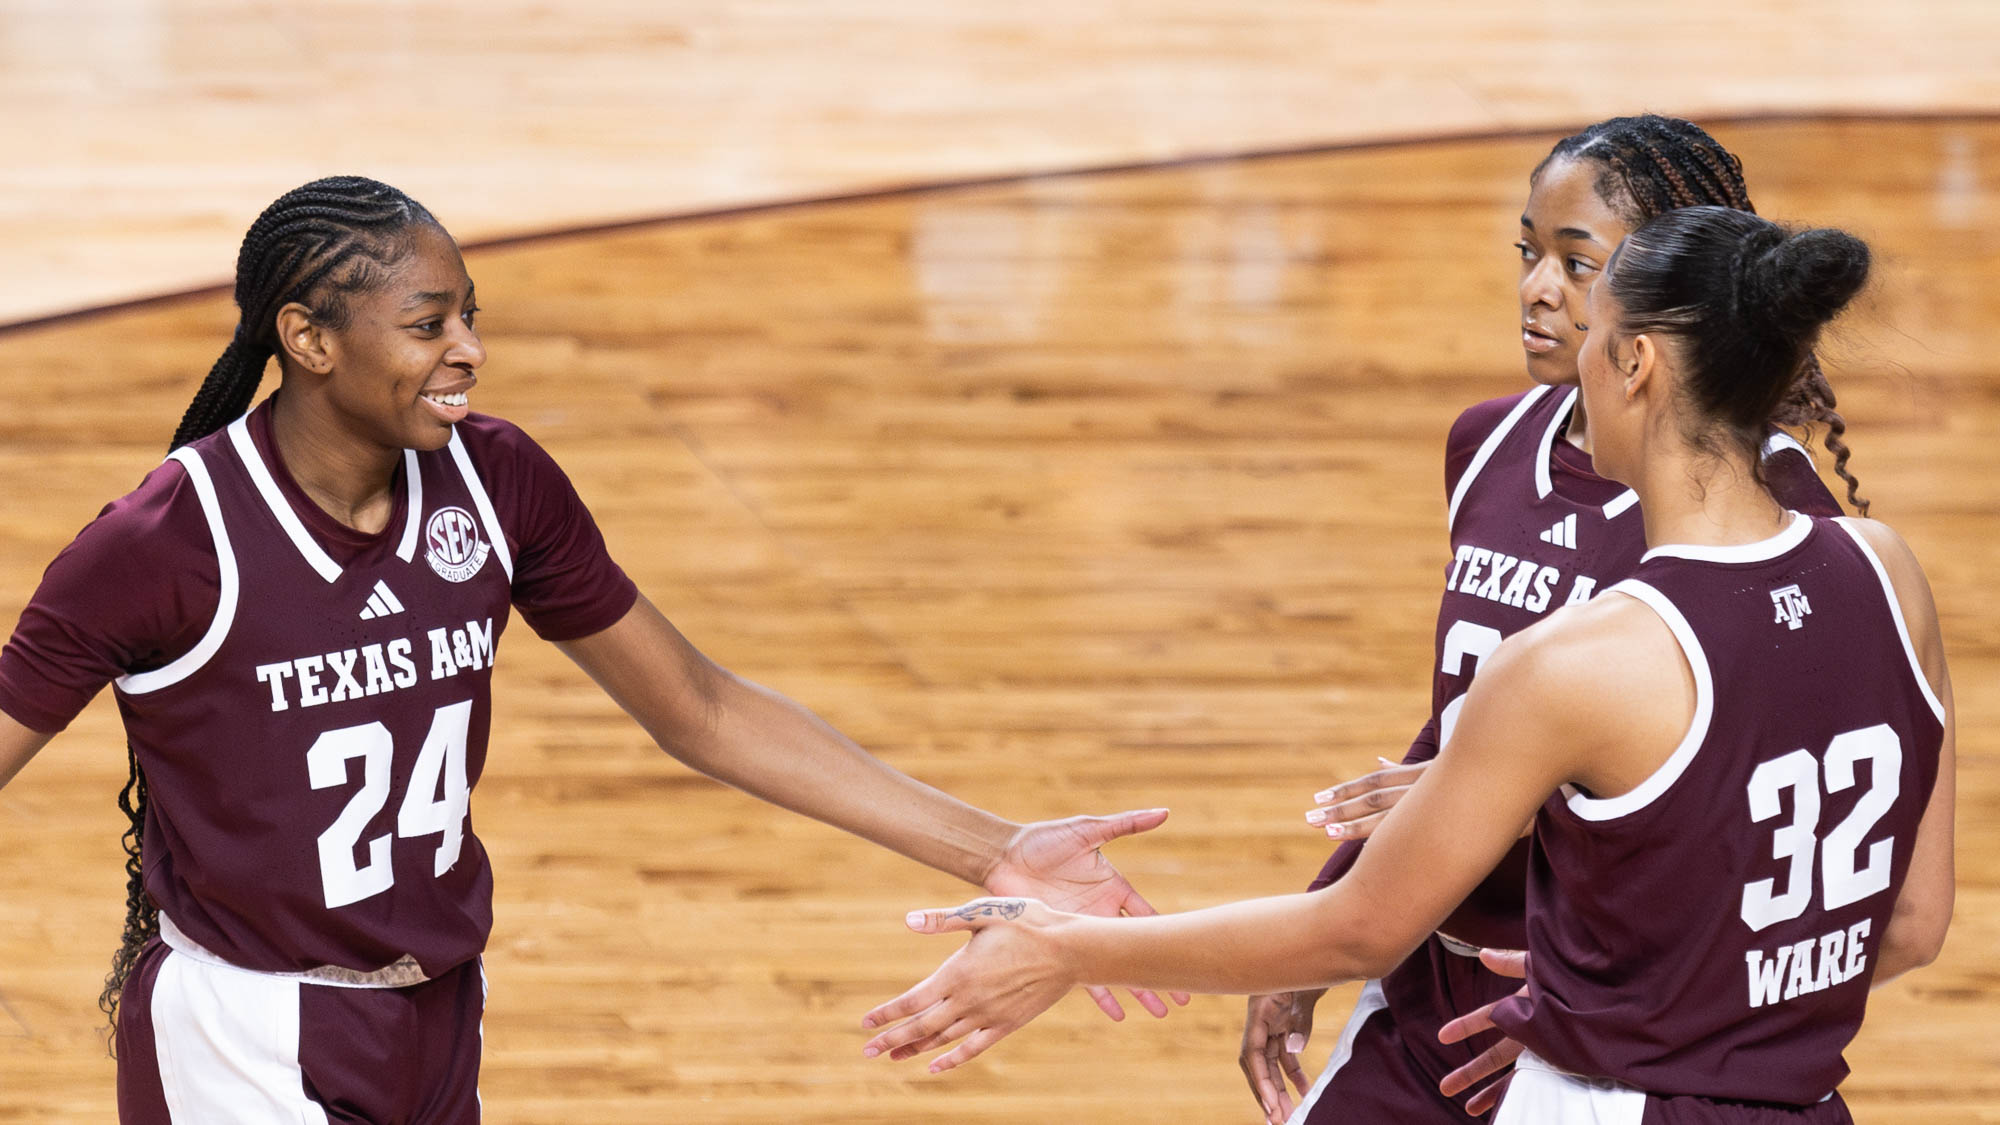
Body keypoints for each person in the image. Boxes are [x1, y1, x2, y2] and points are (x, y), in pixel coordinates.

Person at [0, 176, 1180, 1123]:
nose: (465, 350)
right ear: (307, 339)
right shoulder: (167, 541)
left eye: (469, 317)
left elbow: (700, 709)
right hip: (244, 1033)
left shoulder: (495, 477)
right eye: (426, 325)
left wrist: (995, 850)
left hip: (437, 1009)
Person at [862, 206, 1956, 1125]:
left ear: (1634, 363)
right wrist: (1660, 987)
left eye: (1591, 330)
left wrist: (1064, 951)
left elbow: (1358, 929)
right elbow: (1905, 925)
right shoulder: (1885, 569)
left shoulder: (1579, 662)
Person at [1246, 116, 1854, 1124]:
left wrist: (1506, 796)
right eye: (1528, 252)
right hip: (1429, 993)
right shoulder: (1486, 444)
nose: (1536, 289)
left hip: (1607, 1021)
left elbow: (1763, 802)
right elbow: (1460, 720)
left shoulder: (1755, 508)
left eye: (1577, 265)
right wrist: (1319, 921)